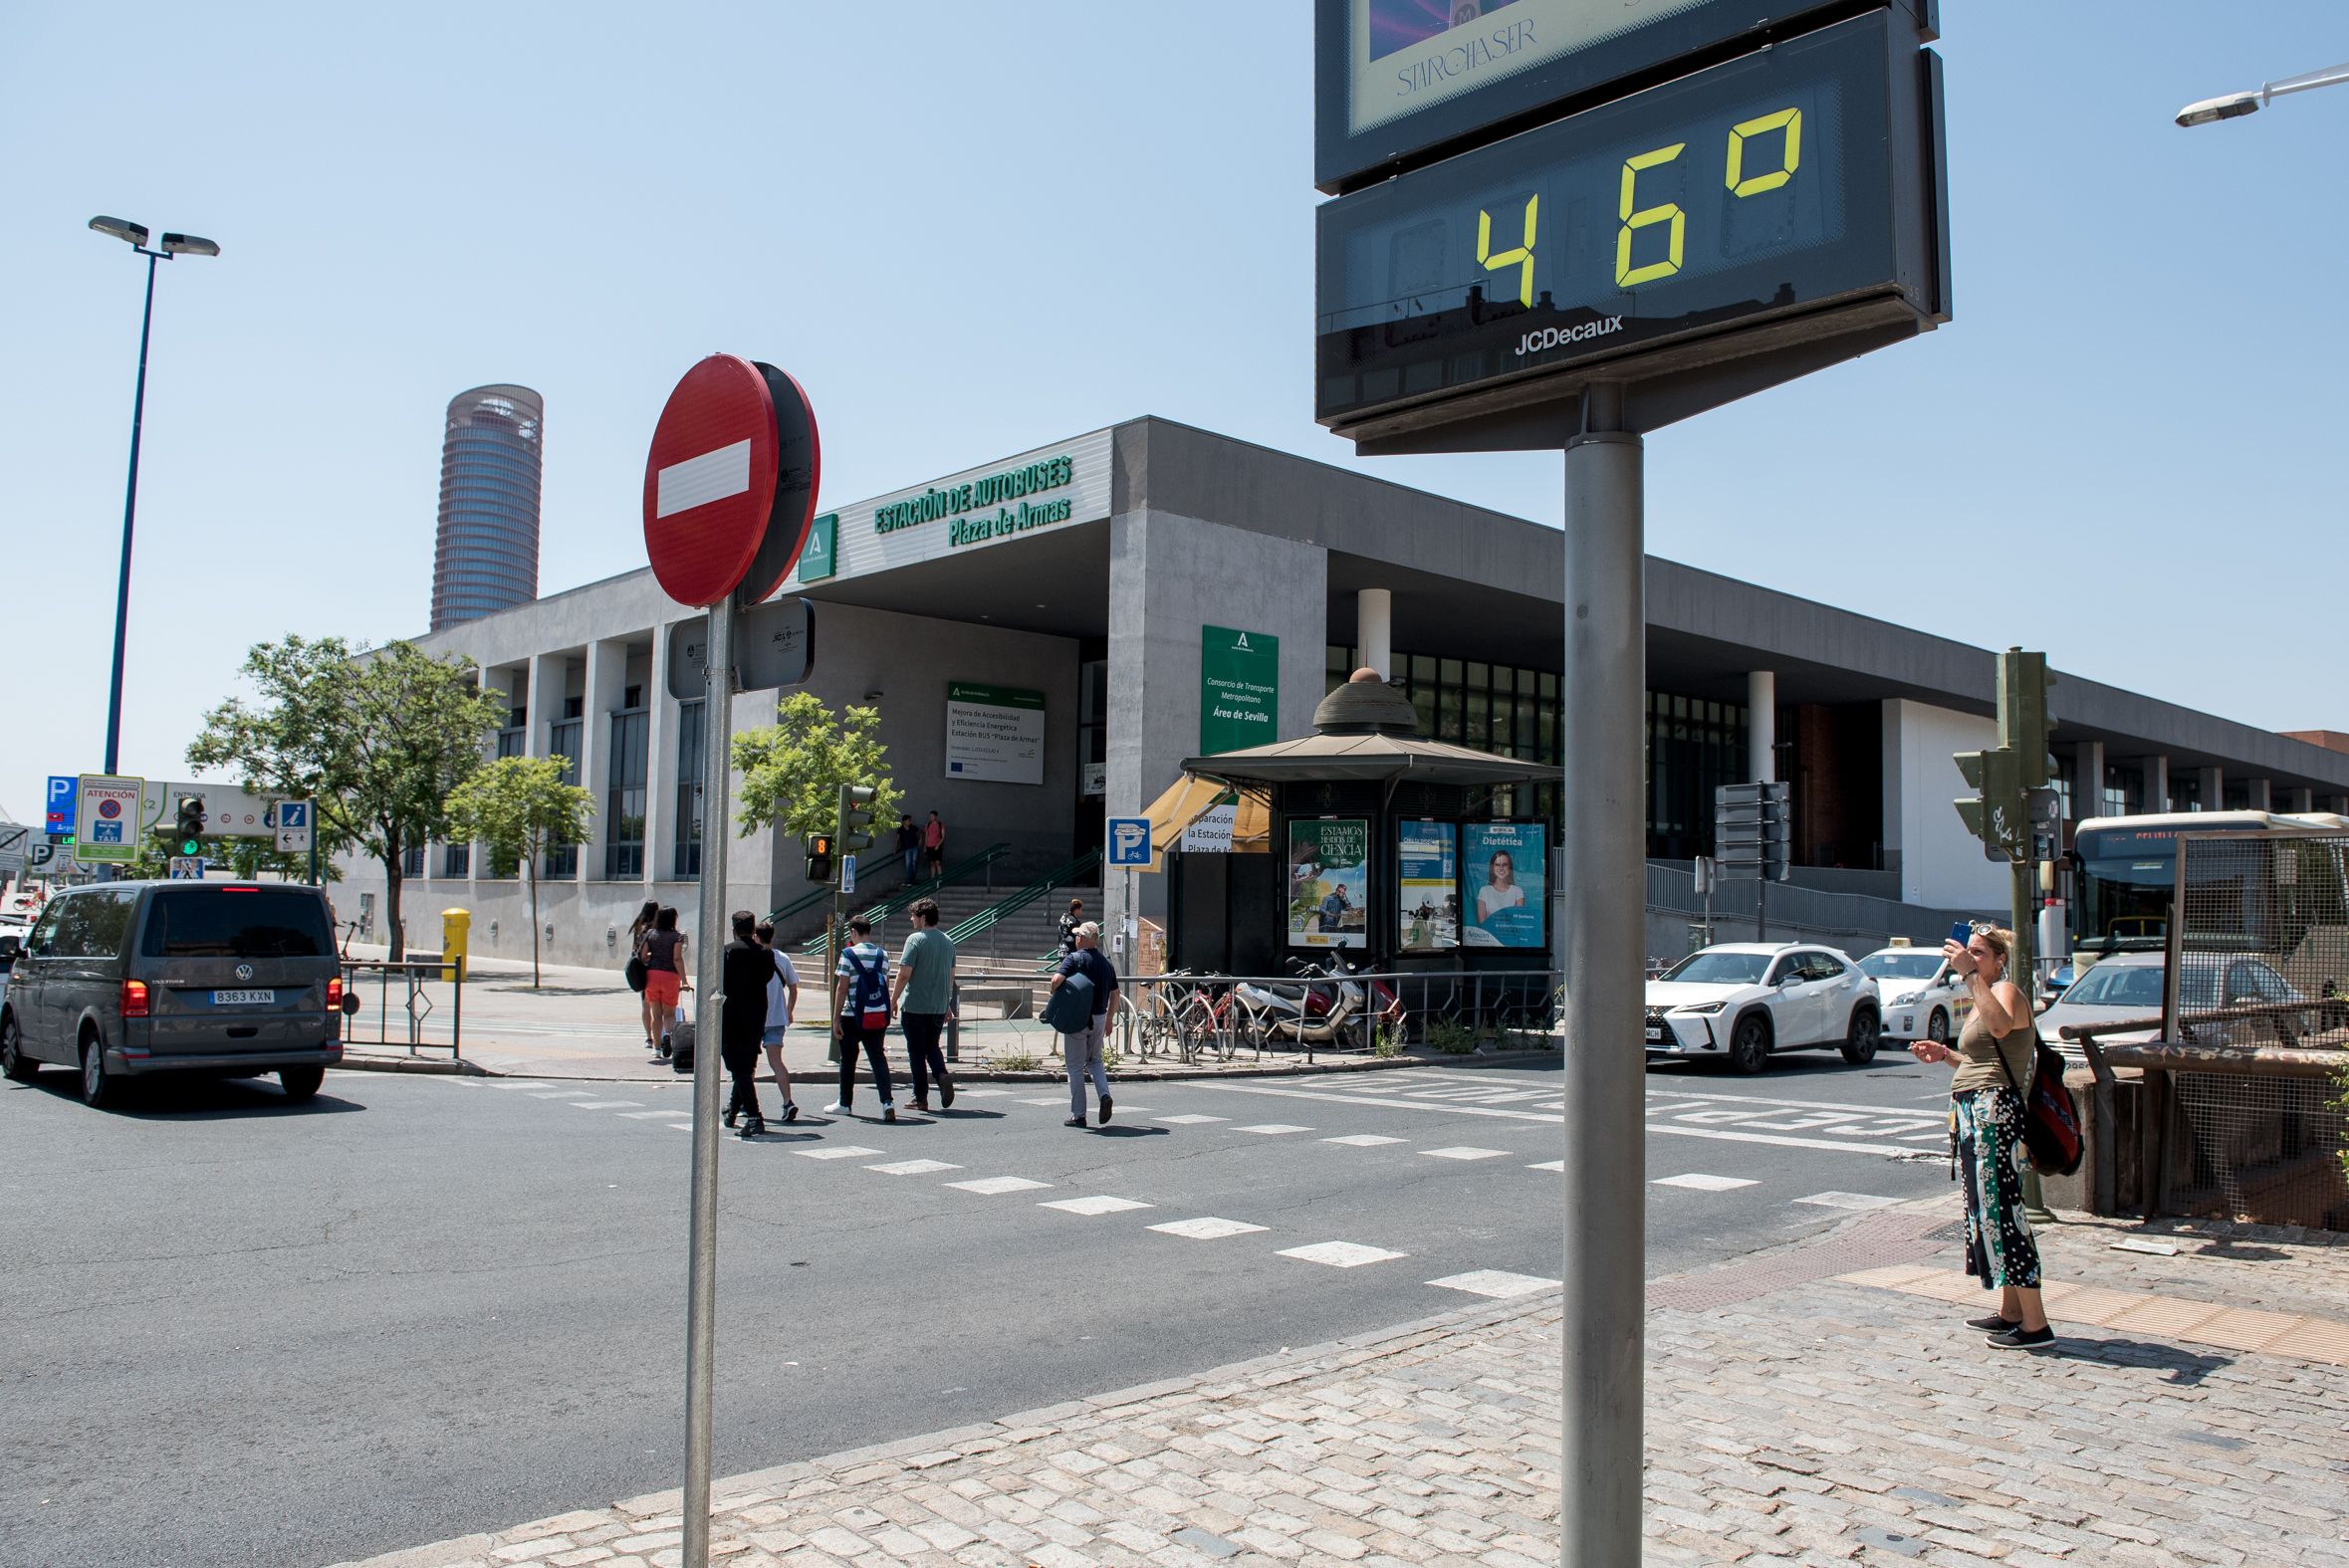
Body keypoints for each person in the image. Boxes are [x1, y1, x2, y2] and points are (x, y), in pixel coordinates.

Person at [1910, 923, 2057, 1351]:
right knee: (1985, 1214)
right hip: (1976, 1110)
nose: (1968, 959)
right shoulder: (1979, 996)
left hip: (1995, 1113)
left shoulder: (2006, 993)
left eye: (1978, 954)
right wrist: (1945, 1055)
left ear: (1998, 960)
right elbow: (1983, 1060)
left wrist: (1970, 976)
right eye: (1966, 953)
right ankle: (2012, 1311)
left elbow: (1998, 1029)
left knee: (2004, 1213)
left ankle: (2036, 1324)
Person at [826, 916, 897, 1122]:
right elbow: (884, 982)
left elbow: (842, 988)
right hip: (875, 1014)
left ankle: (845, 1103)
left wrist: (836, 1018)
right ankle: (887, 1102)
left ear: (853, 932)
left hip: (852, 1015)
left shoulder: (848, 954)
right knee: (877, 1057)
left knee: (848, 1059)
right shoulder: (881, 955)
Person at [891, 898, 957, 1114]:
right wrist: (947, 1002)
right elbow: (951, 976)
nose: (911, 919)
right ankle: (941, 1074)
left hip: (915, 1005)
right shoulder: (948, 941)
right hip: (938, 1005)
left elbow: (904, 974)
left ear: (923, 917)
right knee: (932, 1046)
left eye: (913, 915)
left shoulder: (915, 940)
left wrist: (893, 999)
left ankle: (920, 1098)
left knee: (916, 1053)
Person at [1050, 921, 1118, 1128]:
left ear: (1085, 938)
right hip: (1099, 1018)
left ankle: (1079, 1115)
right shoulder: (1107, 964)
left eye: (1079, 935)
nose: (1076, 938)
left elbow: (1056, 980)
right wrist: (1109, 1019)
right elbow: (1116, 993)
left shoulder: (1075, 958)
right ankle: (1104, 1094)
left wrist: (1054, 993)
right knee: (1095, 1061)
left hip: (1078, 1018)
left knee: (1075, 1067)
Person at [719, 911, 773, 1138]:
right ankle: (732, 1110)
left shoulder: (728, 952)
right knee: (746, 1066)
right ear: (753, 930)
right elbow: (767, 978)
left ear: (734, 929)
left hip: (732, 1017)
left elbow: (718, 981)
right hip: (756, 1017)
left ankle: (754, 1116)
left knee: (737, 1067)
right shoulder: (765, 954)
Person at [755, 920, 801, 1124]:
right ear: (772, 937)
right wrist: (789, 1011)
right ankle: (787, 1101)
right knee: (776, 1062)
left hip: (754, 1018)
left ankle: (746, 1104)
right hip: (776, 1017)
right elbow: (793, 988)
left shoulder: (752, 957)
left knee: (748, 1064)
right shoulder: (782, 958)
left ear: (756, 937)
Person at [641, 906, 687, 1056]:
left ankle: (657, 1048)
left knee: (656, 1014)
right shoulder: (677, 936)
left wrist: (652, 957)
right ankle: (667, 1035)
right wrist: (684, 980)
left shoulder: (650, 934)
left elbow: (643, 956)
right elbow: (677, 958)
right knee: (669, 1014)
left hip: (652, 975)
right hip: (670, 977)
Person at [627, 898, 660, 1050]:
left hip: (640, 971)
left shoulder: (638, 928)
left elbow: (635, 949)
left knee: (645, 1005)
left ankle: (648, 1037)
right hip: (652, 969)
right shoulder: (653, 930)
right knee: (655, 1006)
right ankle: (658, 1036)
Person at [1475, 850, 1526, 925]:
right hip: (1489, 935)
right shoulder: (1484, 891)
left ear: (1509, 867)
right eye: (1497, 865)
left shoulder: (1518, 891)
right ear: (1492, 868)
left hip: (1511, 935)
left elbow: (1518, 922)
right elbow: (1482, 923)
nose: (1501, 868)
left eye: (1504, 865)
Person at [896, 813, 920, 884]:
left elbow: (920, 833)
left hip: (915, 847)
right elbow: (897, 839)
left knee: (914, 862)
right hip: (907, 849)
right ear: (904, 821)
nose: (910, 822)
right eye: (908, 821)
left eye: (910, 820)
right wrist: (895, 848)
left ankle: (913, 878)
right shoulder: (901, 829)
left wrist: (920, 842)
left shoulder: (913, 827)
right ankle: (909, 879)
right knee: (908, 864)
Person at [922, 810, 946, 878]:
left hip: (937, 846)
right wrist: (925, 847)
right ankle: (932, 878)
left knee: (938, 863)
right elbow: (926, 836)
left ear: (936, 816)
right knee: (931, 863)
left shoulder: (940, 824)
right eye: (930, 816)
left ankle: (940, 878)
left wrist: (938, 845)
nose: (931, 817)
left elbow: (943, 836)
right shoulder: (928, 824)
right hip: (929, 846)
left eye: (932, 816)